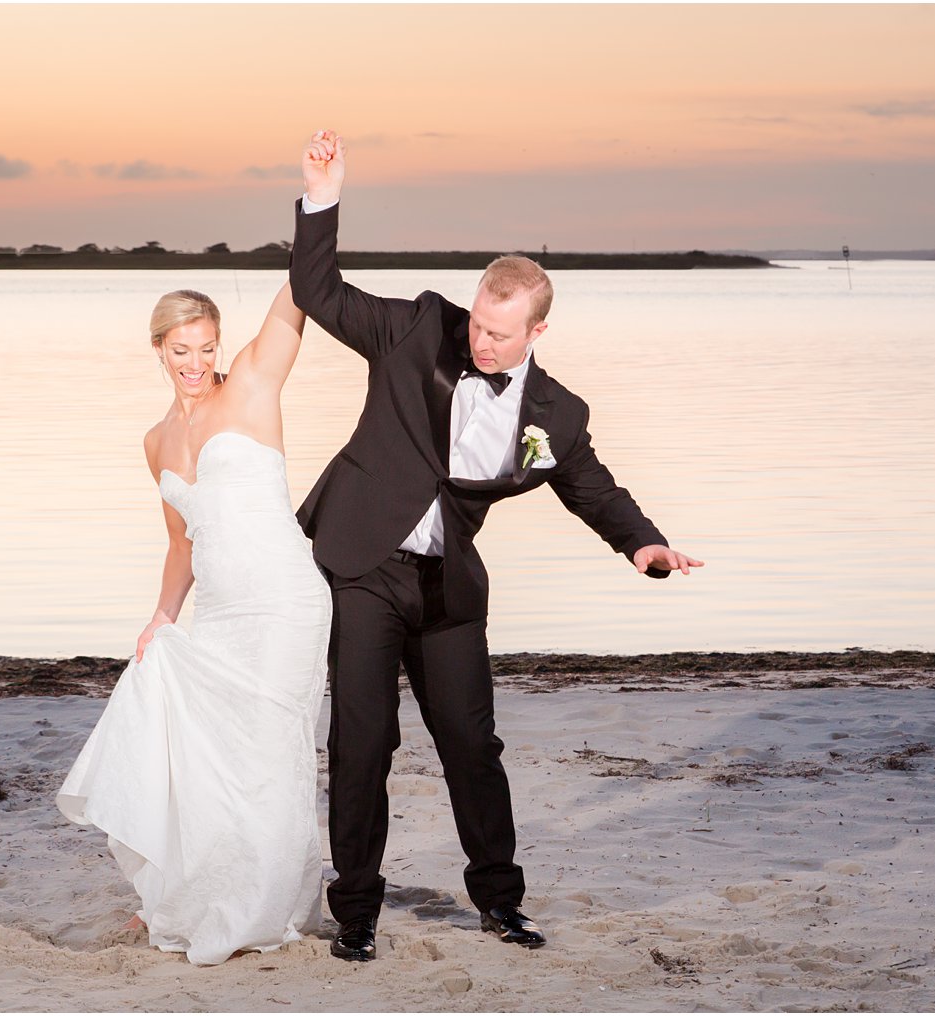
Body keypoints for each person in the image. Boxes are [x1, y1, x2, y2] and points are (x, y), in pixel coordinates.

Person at [290, 130, 703, 962]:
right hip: (362, 565)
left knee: (473, 747)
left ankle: (500, 903)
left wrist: (645, 545)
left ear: (537, 332)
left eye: (501, 334)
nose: (482, 342)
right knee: (362, 744)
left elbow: (591, 487)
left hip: (448, 591)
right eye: (479, 324)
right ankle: (358, 912)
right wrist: (322, 194)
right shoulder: (414, 331)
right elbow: (316, 288)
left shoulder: (558, 415)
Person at [56, 283, 331, 966]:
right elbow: (181, 543)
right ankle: (211, 893)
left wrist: (318, 203)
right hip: (220, 613)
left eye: (207, 348)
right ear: (158, 348)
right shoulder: (156, 441)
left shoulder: (252, 388)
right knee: (211, 758)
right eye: (183, 350)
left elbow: (294, 301)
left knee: (268, 758)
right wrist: (160, 619)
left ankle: (263, 909)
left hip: (284, 603)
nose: (197, 362)